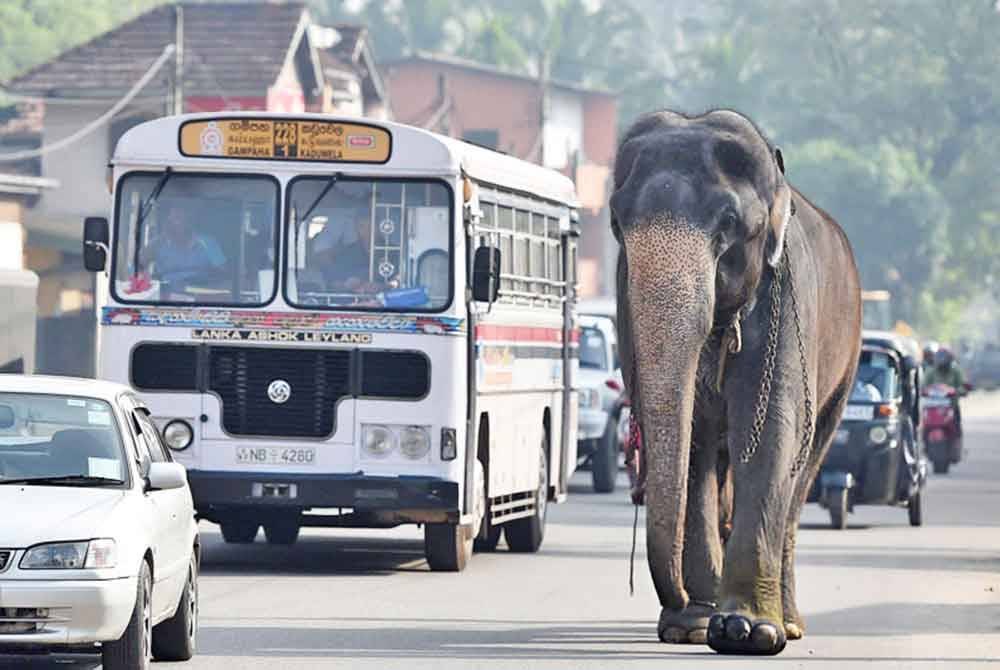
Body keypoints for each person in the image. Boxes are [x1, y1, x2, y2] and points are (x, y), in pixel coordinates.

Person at [152, 203, 226, 283]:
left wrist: (208, 277)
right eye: (174, 219)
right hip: (166, 292)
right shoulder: (157, 244)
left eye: (181, 218)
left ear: (190, 221)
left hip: (200, 291)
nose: (178, 224)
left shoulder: (208, 243)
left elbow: (223, 274)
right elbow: (140, 268)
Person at [924, 346, 967, 434]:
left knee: (956, 428)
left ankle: (957, 445)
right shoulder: (931, 371)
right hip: (933, 405)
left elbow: (963, 386)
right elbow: (924, 386)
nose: (942, 361)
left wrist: (956, 391)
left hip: (951, 405)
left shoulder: (956, 371)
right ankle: (924, 444)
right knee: (925, 425)